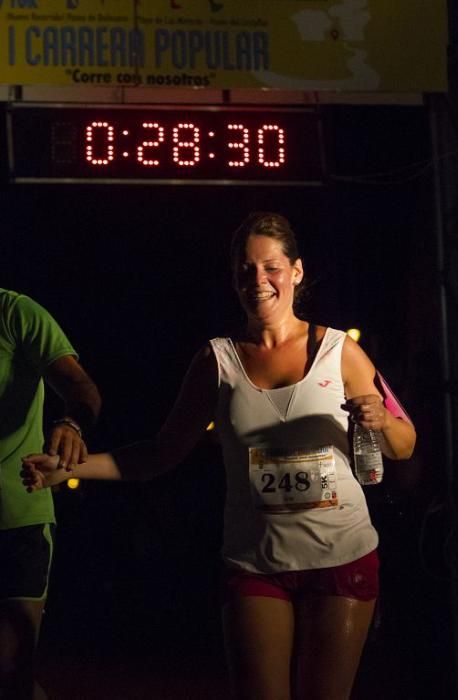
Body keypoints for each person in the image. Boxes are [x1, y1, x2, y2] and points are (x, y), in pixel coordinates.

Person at [21, 213, 416, 700]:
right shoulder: (217, 360)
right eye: (245, 271)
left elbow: (405, 443)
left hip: (342, 556)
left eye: (270, 267)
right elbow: (160, 453)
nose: (258, 281)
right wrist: (70, 468)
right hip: (255, 564)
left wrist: (380, 420)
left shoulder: (340, 352)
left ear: (295, 271)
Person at [0, 287, 102, 700]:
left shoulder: (14, 312)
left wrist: (70, 425)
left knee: (9, 675)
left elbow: (83, 389)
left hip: (14, 515)